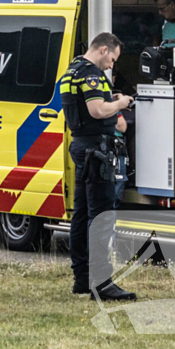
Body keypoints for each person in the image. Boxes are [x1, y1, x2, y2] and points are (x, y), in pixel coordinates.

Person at [61, 32, 137, 301]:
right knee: (101, 217)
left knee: (81, 215)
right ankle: (102, 284)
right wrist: (121, 103)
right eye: (112, 59)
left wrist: (109, 101)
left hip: (82, 147)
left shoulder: (72, 70)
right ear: (103, 49)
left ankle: (82, 278)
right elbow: (97, 110)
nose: (111, 65)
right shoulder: (91, 74)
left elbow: (86, 108)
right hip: (97, 151)